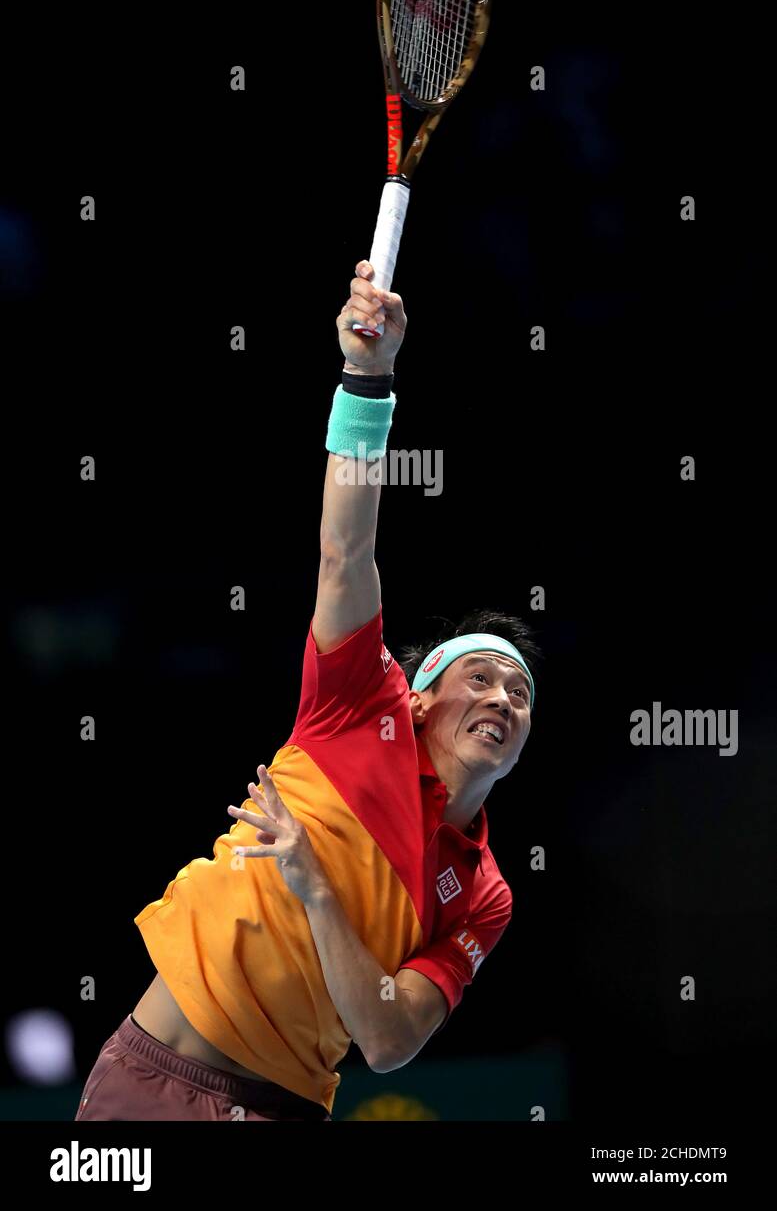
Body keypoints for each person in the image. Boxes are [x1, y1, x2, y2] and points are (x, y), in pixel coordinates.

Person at [74, 260, 539, 1122]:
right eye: (482, 676)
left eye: (520, 696)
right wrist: (368, 378)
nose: (506, 700)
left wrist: (316, 889)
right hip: (149, 1082)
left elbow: (389, 1040)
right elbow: (345, 547)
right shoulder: (360, 701)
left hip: (285, 1111)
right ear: (423, 697)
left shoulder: (483, 892)